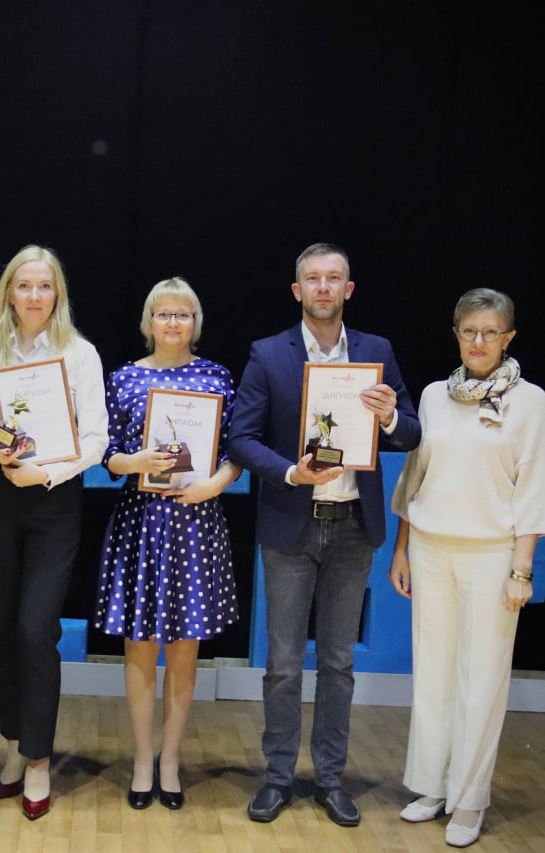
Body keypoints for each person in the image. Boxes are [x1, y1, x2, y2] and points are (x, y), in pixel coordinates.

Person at [228, 242, 421, 827]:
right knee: (284, 664)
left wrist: (388, 416)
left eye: (333, 278)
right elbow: (240, 437)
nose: (322, 287)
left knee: (338, 664)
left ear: (348, 290)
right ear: (297, 291)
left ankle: (331, 779)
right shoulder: (267, 354)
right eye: (312, 278)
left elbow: (410, 432)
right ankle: (279, 777)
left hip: (353, 530)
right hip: (291, 526)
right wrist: (291, 471)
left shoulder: (377, 352)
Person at [388, 288, 545, 848]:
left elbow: (534, 486)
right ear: (456, 334)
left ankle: (468, 800)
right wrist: (402, 548)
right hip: (431, 549)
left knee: (480, 679)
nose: (477, 342)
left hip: (492, 557)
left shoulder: (530, 401)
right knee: (432, 672)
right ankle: (432, 787)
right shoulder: (435, 395)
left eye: (489, 332)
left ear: (508, 338)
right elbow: (416, 475)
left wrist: (522, 570)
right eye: (468, 331)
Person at [0, 245, 108, 820]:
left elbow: (95, 439)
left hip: (53, 497)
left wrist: (48, 472)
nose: (35, 296)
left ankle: (39, 759)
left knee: (35, 626)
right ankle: (16, 746)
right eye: (24, 286)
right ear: (9, 294)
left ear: (57, 294)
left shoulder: (80, 354)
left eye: (45, 287)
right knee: (3, 627)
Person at [93, 277, 241, 811]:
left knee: (184, 648)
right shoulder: (125, 379)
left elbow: (237, 449)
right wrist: (131, 463)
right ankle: (140, 758)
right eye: (163, 314)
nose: (173, 323)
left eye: (183, 315)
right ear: (148, 322)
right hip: (141, 520)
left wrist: (216, 484)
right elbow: (105, 450)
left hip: (197, 520)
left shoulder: (218, 377)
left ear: (195, 323)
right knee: (139, 647)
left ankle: (171, 760)